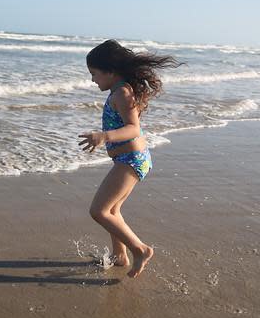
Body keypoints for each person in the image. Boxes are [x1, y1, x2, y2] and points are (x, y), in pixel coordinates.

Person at [78, 39, 184, 278]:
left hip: (131, 160)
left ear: (110, 71)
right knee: (113, 210)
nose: (93, 79)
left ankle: (140, 249)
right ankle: (119, 255)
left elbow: (133, 128)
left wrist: (104, 136)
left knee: (99, 211)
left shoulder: (123, 93)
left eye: (94, 74)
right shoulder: (118, 90)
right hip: (129, 159)